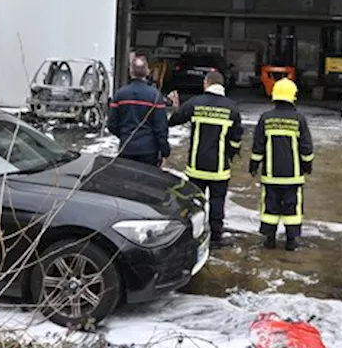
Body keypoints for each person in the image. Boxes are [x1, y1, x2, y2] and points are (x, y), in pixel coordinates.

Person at [167, 70, 242, 248]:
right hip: (219, 169)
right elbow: (236, 139)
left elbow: (174, 120)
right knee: (217, 202)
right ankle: (216, 237)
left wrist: (176, 105)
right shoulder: (231, 108)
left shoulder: (195, 103)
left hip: (196, 166)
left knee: (195, 202)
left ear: (206, 84)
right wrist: (229, 156)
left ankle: (194, 234)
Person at [249, 78, 313, 251]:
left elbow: (258, 145)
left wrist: (254, 165)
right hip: (293, 177)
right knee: (292, 208)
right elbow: (306, 146)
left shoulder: (266, 118)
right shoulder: (299, 119)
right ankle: (291, 240)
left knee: (270, 207)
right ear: (293, 96)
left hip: (270, 175)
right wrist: (307, 165)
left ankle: (269, 239)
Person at [106, 55, 171, 168]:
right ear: (147, 71)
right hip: (149, 151)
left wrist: (125, 135)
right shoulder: (155, 96)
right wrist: (165, 151)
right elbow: (161, 127)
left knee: (127, 183)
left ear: (131, 72)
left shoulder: (120, 94)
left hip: (127, 148)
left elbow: (112, 124)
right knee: (146, 183)